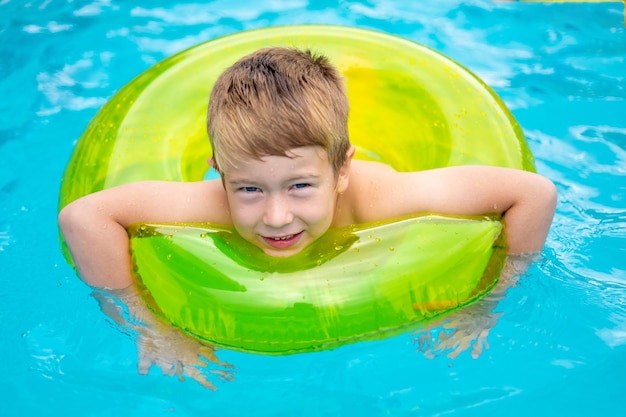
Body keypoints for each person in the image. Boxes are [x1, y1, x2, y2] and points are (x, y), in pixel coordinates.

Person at [58, 47, 557, 385]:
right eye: (249, 188)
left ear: (342, 171)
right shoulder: (209, 204)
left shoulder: (383, 197)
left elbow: (533, 194)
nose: (276, 216)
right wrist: (150, 326)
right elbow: (84, 218)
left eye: (300, 186)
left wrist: (488, 298)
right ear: (219, 173)